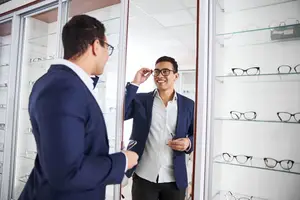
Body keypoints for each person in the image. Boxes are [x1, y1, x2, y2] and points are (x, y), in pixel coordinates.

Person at [19, 14, 138, 200]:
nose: (108, 56)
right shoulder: (63, 89)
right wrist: (122, 161)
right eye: (108, 48)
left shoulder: (62, 82)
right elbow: (67, 173)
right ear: (96, 46)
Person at [122, 56, 194, 200]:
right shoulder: (141, 100)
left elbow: (195, 134)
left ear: (176, 76)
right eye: (157, 71)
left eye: (165, 71)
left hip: (175, 179)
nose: (160, 75)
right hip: (144, 176)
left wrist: (188, 143)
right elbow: (122, 113)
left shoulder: (188, 105)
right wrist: (136, 82)